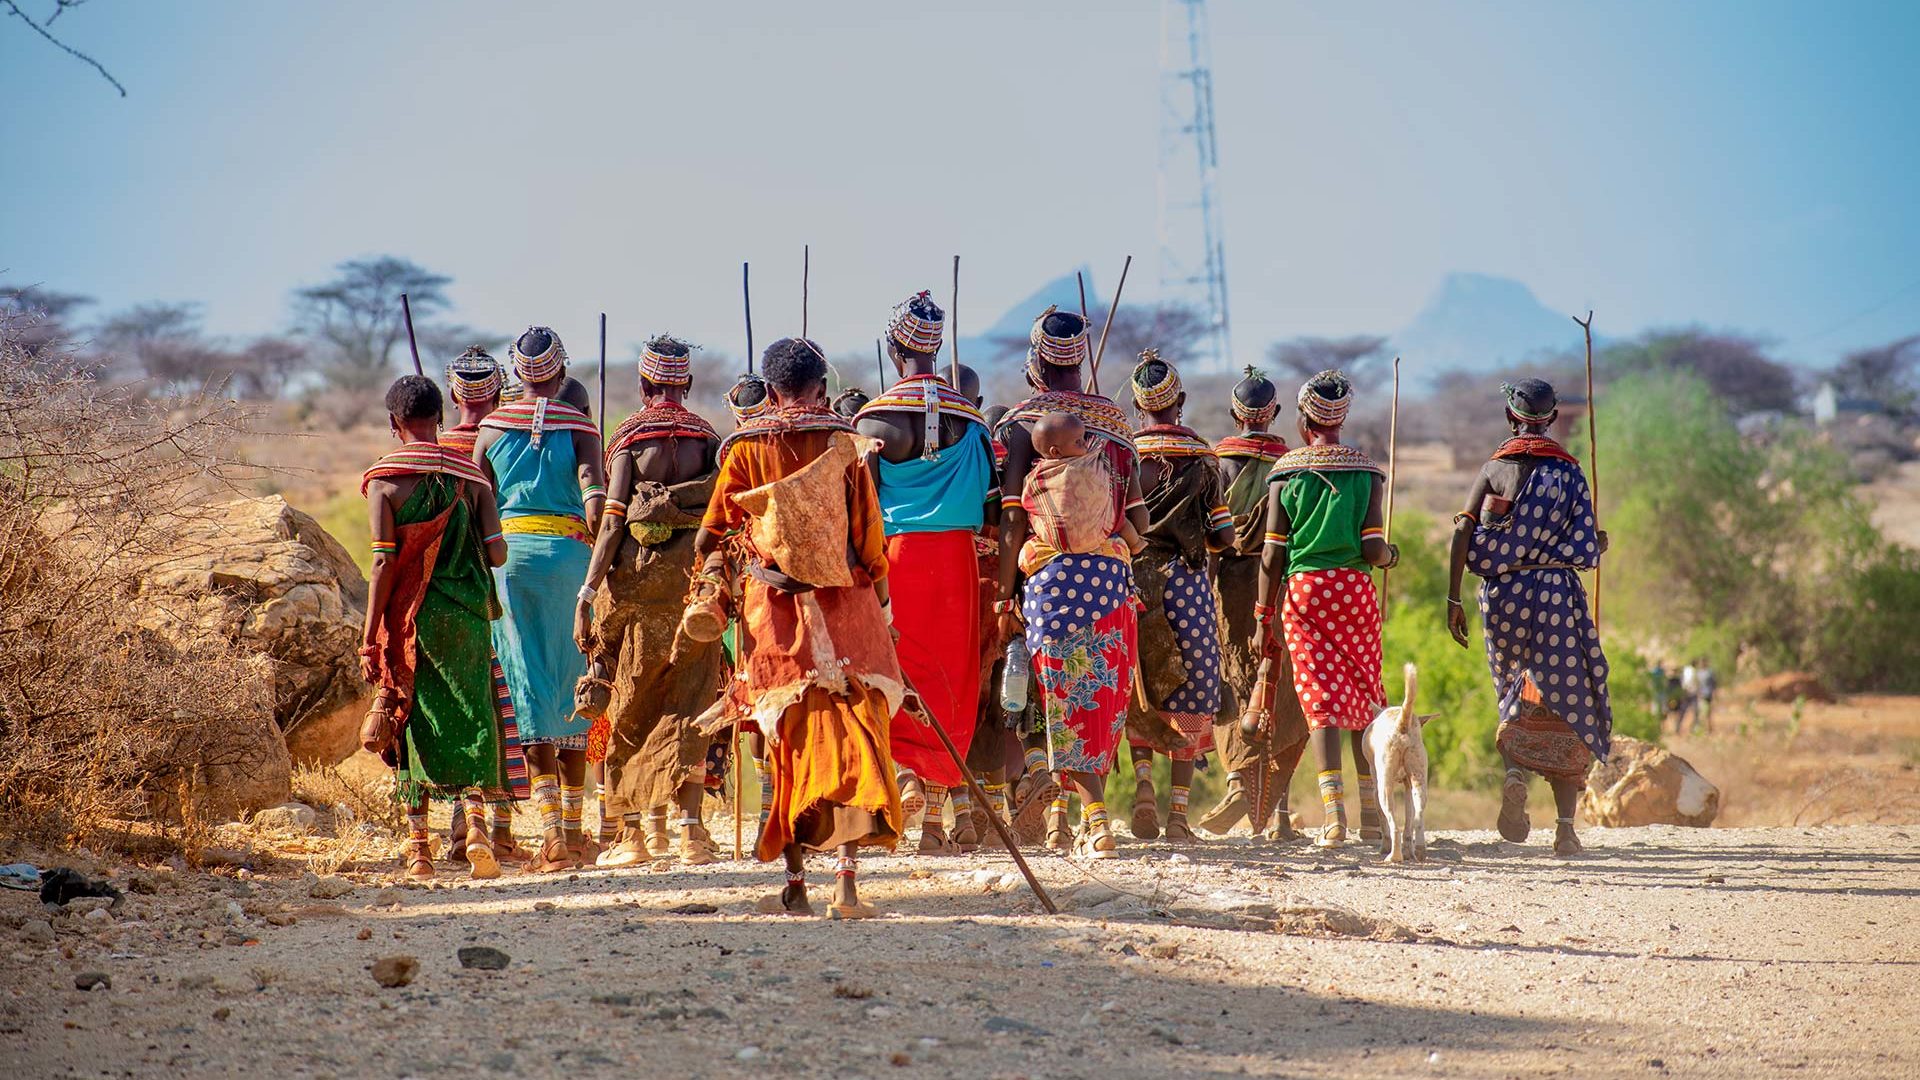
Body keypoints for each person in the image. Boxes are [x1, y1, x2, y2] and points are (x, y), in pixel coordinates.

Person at [696, 336, 905, 918]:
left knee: (785, 736)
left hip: (772, 610)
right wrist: (883, 609)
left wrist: (721, 578)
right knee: (856, 730)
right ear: (819, 387)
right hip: (848, 605)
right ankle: (847, 884)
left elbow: (713, 532)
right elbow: (868, 537)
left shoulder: (742, 447)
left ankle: (795, 883)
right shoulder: (844, 442)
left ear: (770, 388)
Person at [995, 308, 1149, 859]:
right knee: (1098, 697)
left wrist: (1002, 590)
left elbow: (1011, 517)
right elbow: (1141, 520)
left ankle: (1089, 819)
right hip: (1110, 579)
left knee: (1056, 696)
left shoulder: (1021, 424)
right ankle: (1074, 818)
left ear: (1036, 360)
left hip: (1050, 580)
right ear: (1081, 358)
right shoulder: (1114, 428)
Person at [853, 292, 997, 855]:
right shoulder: (972, 421)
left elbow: (860, 506)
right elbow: (990, 509)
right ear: (935, 347)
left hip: (896, 561)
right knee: (951, 681)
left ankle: (905, 783)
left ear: (894, 348)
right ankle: (935, 823)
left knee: (894, 673)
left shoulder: (874, 419)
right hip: (958, 564)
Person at [574, 335, 726, 869]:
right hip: (690, 590)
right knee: (690, 703)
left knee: (626, 706)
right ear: (685, 382)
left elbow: (613, 521)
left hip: (633, 591)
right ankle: (693, 835)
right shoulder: (709, 440)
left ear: (643, 385)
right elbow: (719, 520)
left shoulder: (629, 438)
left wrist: (588, 591)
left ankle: (632, 835)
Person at [1445, 378, 1611, 857]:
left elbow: (1463, 532)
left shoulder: (1496, 468)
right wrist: (1596, 543)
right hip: (1558, 594)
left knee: (1515, 688)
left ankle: (1515, 773)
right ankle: (1564, 829)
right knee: (1567, 697)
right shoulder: (1571, 473)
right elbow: (1583, 548)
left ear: (1510, 417)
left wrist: (1452, 599)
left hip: (1505, 596)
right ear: (1553, 418)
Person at [360, 375, 516, 880]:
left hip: (409, 620)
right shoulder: (471, 476)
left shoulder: (382, 481)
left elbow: (383, 563)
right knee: (473, 711)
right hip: (467, 615)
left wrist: (369, 633)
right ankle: (475, 828)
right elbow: (497, 553)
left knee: (408, 715)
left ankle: (419, 849)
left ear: (393, 423)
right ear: (440, 419)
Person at [471, 326, 606, 873]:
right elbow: (596, 502)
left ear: (517, 372)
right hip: (571, 559)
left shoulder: (489, 428)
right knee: (573, 683)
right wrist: (600, 558)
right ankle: (574, 836)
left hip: (509, 565)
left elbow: (477, 506)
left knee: (526, 683)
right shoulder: (581, 427)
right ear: (561, 368)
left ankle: (550, 835)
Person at [1255, 370, 1398, 847]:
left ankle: (1334, 818)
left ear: (1303, 421)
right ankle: (1373, 818)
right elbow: (1375, 551)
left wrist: (1261, 616)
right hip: (1355, 593)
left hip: (1305, 594)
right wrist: (1392, 556)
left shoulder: (1287, 473)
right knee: (1366, 697)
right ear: (1342, 417)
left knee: (1321, 701)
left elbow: (1273, 554)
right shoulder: (1366, 472)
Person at [1123, 351, 1233, 842]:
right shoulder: (1205, 458)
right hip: (1187, 582)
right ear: (1180, 401)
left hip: (1132, 578)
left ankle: (1143, 787)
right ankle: (1178, 816)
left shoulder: (1124, 453)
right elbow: (1223, 536)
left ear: (1137, 403)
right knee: (1194, 686)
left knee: (1139, 681)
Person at [434, 346, 536, 868]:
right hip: (505, 577)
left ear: (454, 395)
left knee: (461, 698)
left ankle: (462, 823)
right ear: (498, 391)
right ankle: (500, 829)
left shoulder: (435, 450)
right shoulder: (507, 438)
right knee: (505, 698)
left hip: (450, 591)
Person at [1199, 367, 1309, 840]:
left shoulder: (1216, 462)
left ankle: (1238, 782)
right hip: (1281, 583)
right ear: (1276, 414)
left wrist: (1205, 594)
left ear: (1233, 414)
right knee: (1280, 685)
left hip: (1229, 582)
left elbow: (1212, 538)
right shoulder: (1294, 464)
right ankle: (1278, 814)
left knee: (1237, 678)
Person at [1694, 659, 1716, 733]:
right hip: (1702, 695)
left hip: (1708, 694)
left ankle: (1709, 727)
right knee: (1703, 711)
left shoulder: (1709, 672)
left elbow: (1713, 683)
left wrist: (1714, 692)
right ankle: (1704, 728)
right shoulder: (1699, 673)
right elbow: (1697, 684)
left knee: (1708, 712)